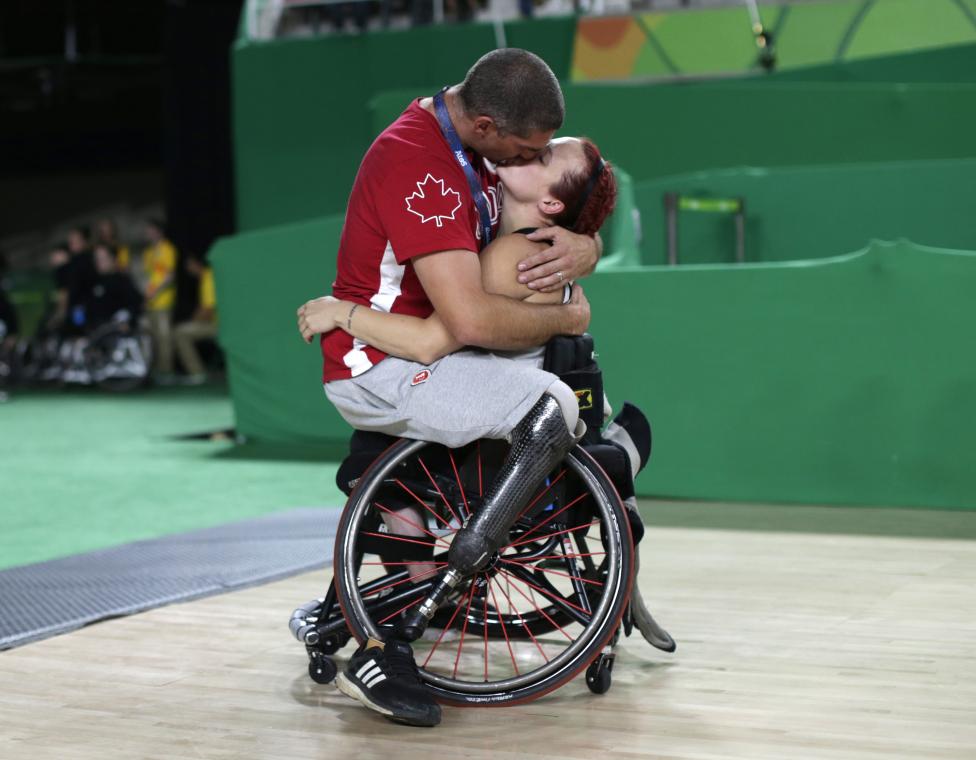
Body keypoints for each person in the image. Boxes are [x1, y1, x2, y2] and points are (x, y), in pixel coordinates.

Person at [297, 49, 602, 727]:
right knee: (548, 404)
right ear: (488, 126)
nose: (527, 161)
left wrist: (587, 247)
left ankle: (351, 603)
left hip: (432, 352)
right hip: (380, 360)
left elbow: (569, 193)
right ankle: (389, 639)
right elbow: (461, 322)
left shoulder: (480, 143)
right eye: (524, 150)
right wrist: (574, 313)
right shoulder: (417, 161)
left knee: (549, 386)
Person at [140, 219, 177, 382]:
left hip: (164, 301)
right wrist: (146, 294)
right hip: (150, 301)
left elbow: (169, 275)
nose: (149, 233)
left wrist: (155, 291)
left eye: (152, 230)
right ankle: (153, 371)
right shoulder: (147, 253)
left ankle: (167, 372)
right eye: (148, 230)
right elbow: (147, 276)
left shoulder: (168, 249)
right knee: (151, 337)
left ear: (160, 231)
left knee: (164, 337)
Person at [173, 256, 218, 385]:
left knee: (180, 332)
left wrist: (193, 321)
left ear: (197, 263)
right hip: (213, 322)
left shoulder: (209, 278)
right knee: (182, 329)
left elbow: (208, 310)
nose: (187, 269)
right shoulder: (205, 278)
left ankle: (197, 373)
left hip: (218, 325)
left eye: (189, 264)